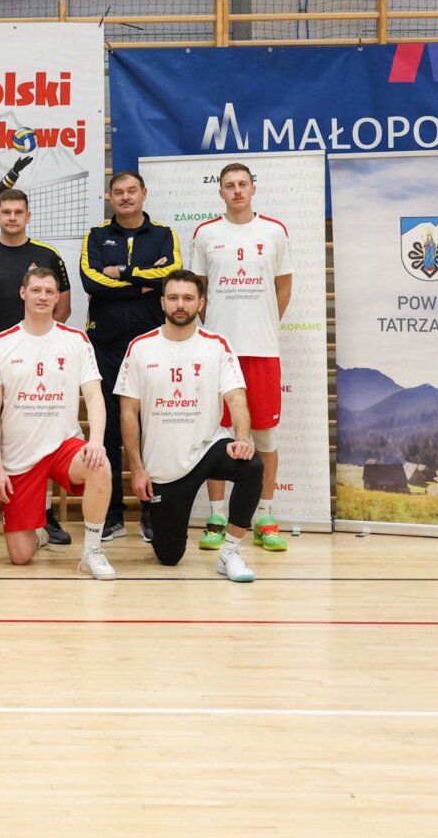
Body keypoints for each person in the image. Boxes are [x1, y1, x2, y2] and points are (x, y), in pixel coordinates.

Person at [114, 271, 263, 583]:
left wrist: (243, 437)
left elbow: (236, 397)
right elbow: (128, 412)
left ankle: (231, 551)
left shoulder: (217, 345)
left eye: (187, 298)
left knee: (251, 466)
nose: (180, 304)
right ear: (162, 302)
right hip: (164, 468)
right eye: (173, 298)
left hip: (207, 447)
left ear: (201, 303)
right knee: (169, 556)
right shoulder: (140, 347)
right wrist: (137, 468)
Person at [0, 267, 116, 578]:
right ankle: (37, 531)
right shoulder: (0, 344)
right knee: (20, 556)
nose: (42, 297)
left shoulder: (75, 340)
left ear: (57, 297)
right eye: (36, 290)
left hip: (63, 446)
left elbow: (94, 396)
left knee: (100, 465)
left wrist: (96, 442)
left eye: (49, 292)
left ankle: (92, 551)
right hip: (20, 455)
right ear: (23, 293)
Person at [188, 163, 293, 553]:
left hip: (262, 350)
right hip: (219, 354)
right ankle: (217, 516)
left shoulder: (274, 231)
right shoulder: (206, 234)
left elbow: (284, 286)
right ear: (220, 192)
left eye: (242, 184)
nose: (236, 191)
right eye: (229, 185)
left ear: (253, 189)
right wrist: (215, 333)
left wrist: (264, 323)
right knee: (215, 437)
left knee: (264, 435)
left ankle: (265, 516)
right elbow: (198, 292)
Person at [0, 187, 72, 546]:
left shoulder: (47, 255)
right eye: (6, 212)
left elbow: (63, 308)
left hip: (41, 362)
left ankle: (45, 512)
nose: (12, 218)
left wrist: (37, 344)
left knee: (44, 432)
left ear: (28, 215)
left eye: (18, 212)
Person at [79, 170, 182, 544]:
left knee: (151, 431)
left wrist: (122, 272)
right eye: (118, 192)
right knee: (106, 432)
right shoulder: (95, 236)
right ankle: (111, 515)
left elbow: (169, 277)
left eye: (131, 191)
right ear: (110, 197)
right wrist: (140, 283)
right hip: (104, 346)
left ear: (144, 193)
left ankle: (152, 512)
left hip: (151, 346)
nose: (125, 197)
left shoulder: (164, 235)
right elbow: (90, 281)